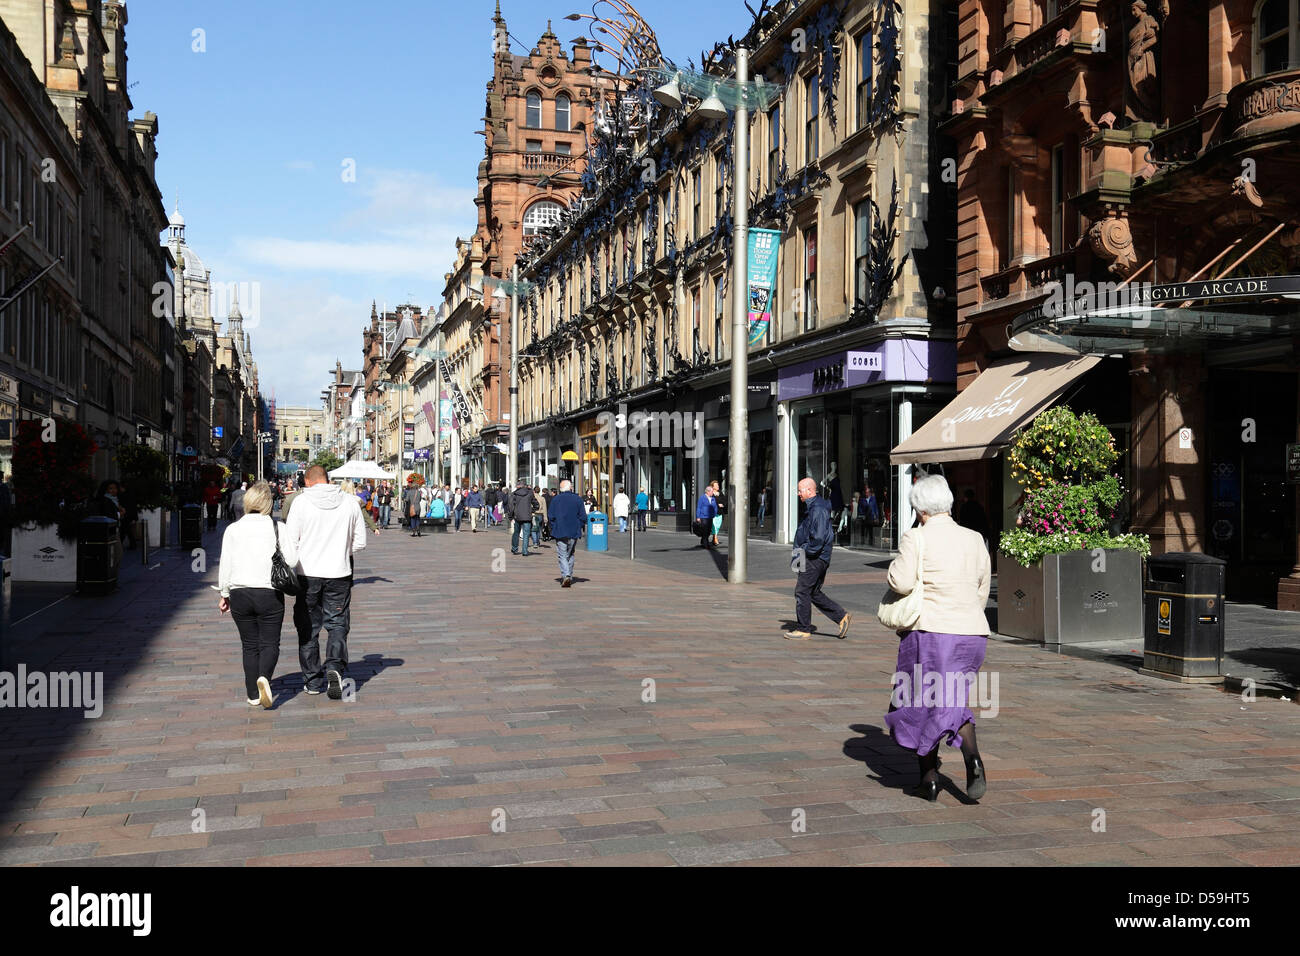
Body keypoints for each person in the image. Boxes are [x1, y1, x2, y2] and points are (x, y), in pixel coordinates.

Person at [883, 474, 991, 803]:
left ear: (919, 510)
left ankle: (929, 779)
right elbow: (982, 586)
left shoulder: (916, 538)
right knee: (951, 699)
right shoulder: (975, 538)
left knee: (918, 702)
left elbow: (900, 582)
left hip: (932, 634)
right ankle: (970, 758)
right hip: (972, 634)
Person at [285, 465, 367, 700]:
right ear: (327, 480)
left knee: (307, 626)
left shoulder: (300, 502)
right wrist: (340, 551)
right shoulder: (351, 502)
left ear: (308, 482)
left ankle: (312, 680)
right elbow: (360, 542)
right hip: (339, 573)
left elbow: (291, 542)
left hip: (307, 573)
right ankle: (334, 668)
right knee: (338, 622)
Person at [217, 481, 296, 709]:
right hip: (269, 592)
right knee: (270, 642)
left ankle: (252, 693)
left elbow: (226, 565)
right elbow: (292, 560)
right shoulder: (277, 528)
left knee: (249, 645)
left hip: (240, 592)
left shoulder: (233, 529)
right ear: (269, 503)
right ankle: (264, 677)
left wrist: (224, 593)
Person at [785, 477, 850, 642]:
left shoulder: (817, 508)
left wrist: (804, 550)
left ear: (809, 491)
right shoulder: (813, 507)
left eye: (800, 490)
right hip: (811, 556)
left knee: (802, 591)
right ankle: (841, 616)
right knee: (813, 592)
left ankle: (803, 629)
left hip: (814, 557)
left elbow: (818, 538)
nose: (798, 493)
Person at [549, 479, 586, 587]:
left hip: (560, 530)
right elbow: (583, 516)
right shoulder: (578, 499)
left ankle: (566, 575)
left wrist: (554, 526)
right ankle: (568, 574)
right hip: (573, 531)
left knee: (562, 554)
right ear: (571, 487)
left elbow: (551, 516)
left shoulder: (556, 499)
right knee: (570, 553)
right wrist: (578, 525)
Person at [508, 479, 537, 556]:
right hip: (527, 516)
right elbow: (536, 504)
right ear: (525, 486)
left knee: (516, 533)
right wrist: (531, 510)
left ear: (518, 486)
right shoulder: (530, 493)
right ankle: (524, 551)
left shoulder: (514, 494)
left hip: (517, 516)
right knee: (526, 534)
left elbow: (511, 506)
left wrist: (510, 516)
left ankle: (514, 548)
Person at [694, 483, 717, 549]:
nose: (713, 492)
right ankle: (705, 543)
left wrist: (714, 514)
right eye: (712, 491)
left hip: (710, 517)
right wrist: (698, 517)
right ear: (708, 492)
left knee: (709, 530)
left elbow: (715, 507)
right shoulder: (702, 498)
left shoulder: (713, 498)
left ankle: (703, 540)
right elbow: (699, 507)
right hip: (703, 517)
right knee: (705, 530)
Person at [710, 480, 725, 547]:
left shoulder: (720, 493)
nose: (718, 486)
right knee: (714, 526)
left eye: (718, 485)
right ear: (713, 487)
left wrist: (723, 504)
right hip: (713, 512)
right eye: (716, 485)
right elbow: (711, 502)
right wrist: (717, 504)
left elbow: (724, 500)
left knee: (718, 526)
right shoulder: (711, 493)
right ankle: (715, 538)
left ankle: (714, 538)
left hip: (720, 512)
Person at [531, 484, 547, 549]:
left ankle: (535, 542)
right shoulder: (542, 498)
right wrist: (545, 517)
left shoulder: (532, 498)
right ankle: (537, 541)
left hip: (534, 514)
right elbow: (545, 508)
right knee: (538, 529)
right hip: (540, 515)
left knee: (534, 529)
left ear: (534, 491)